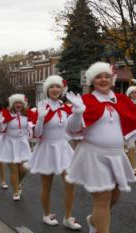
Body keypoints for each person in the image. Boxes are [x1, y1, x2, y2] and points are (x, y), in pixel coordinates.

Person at [65, 62, 136, 233]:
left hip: (116, 155)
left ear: (112, 79)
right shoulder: (86, 101)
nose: (103, 79)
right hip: (94, 154)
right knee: (102, 200)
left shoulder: (120, 100)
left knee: (114, 198)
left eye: (106, 76)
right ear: (92, 81)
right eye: (98, 76)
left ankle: (94, 220)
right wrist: (78, 113)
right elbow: (72, 129)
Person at [28, 75, 81, 230]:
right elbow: (37, 134)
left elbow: (74, 129)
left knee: (70, 183)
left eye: (58, 86)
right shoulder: (41, 107)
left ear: (62, 89)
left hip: (63, 148)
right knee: (47, 185)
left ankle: (68, 217)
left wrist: (78, 112)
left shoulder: (65, 108)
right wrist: (40, 119)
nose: (55, 89)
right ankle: (46, 214)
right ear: (47, 90)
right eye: (52, 87)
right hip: (46, 148)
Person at [0, 94, 32, 201]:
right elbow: (1, 129)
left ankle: (18, 182)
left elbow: (30, 129)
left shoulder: (27, 115)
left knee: (24, 169)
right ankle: (16, 191)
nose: (18, 105)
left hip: (22, 144)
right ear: (12, 104)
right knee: (14, 170)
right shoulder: (7, 114)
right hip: (10, 143)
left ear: (23, 104)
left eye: (20, 103)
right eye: (16, 103)